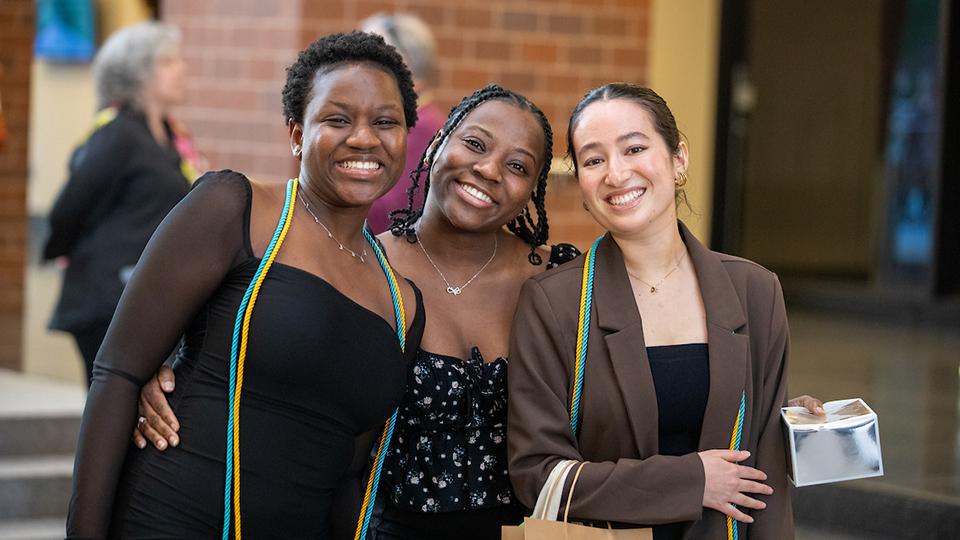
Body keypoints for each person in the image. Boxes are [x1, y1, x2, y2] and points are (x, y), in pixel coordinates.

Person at [66, 31, 424, 539]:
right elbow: (118, 373)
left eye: (385, 122)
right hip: (171, 519)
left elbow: (352, 475)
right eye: (337, 119)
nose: (364, 138)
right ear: (297, 134)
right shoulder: (235, 208)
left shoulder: (403, 301)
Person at [507, 84, 795, 539]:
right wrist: (691, 480)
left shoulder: (755, 291)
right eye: (594, 159)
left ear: (678, 159)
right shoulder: (554, 303)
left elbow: (766, 477)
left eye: (635, 148)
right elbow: (536, 476)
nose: (616, 174)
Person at [43, 21, 204, 384]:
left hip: (146, 297)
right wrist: (64, 255)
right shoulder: (118, 133)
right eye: (167, 62)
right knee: (115, 412)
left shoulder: (168, 135)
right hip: (108, 298)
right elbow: (69, 209)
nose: (181, 69)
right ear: (136, 73)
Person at [361, 13, 446, 234]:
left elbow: (395, 211)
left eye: (372, 62)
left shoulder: (423, 127)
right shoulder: (411, 120)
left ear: (405, 63)